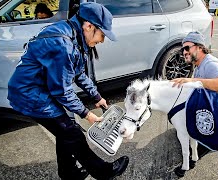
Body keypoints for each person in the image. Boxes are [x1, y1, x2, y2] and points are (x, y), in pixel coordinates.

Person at [8, 2, 129, 180]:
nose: (102, 41)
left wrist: (96, 96)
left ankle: (68, 173)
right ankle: (103, 172)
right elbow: (62, 91)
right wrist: (87, 114)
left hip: (43, 88)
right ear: (89, 26)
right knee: (71, 132)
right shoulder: (62, 44)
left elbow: (78, 72)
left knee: (65, 130)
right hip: (30, 94)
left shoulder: (74, 35)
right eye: (102, 35)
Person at [171, 31, 218, 158]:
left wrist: (192, 80)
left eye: (187, 47)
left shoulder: (210, 63)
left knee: (194, 147)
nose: (184, 52)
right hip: (208, 107)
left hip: (216, 115)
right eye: (182, 49)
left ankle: (203, 147)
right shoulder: (199, 64)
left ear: (200, 47)